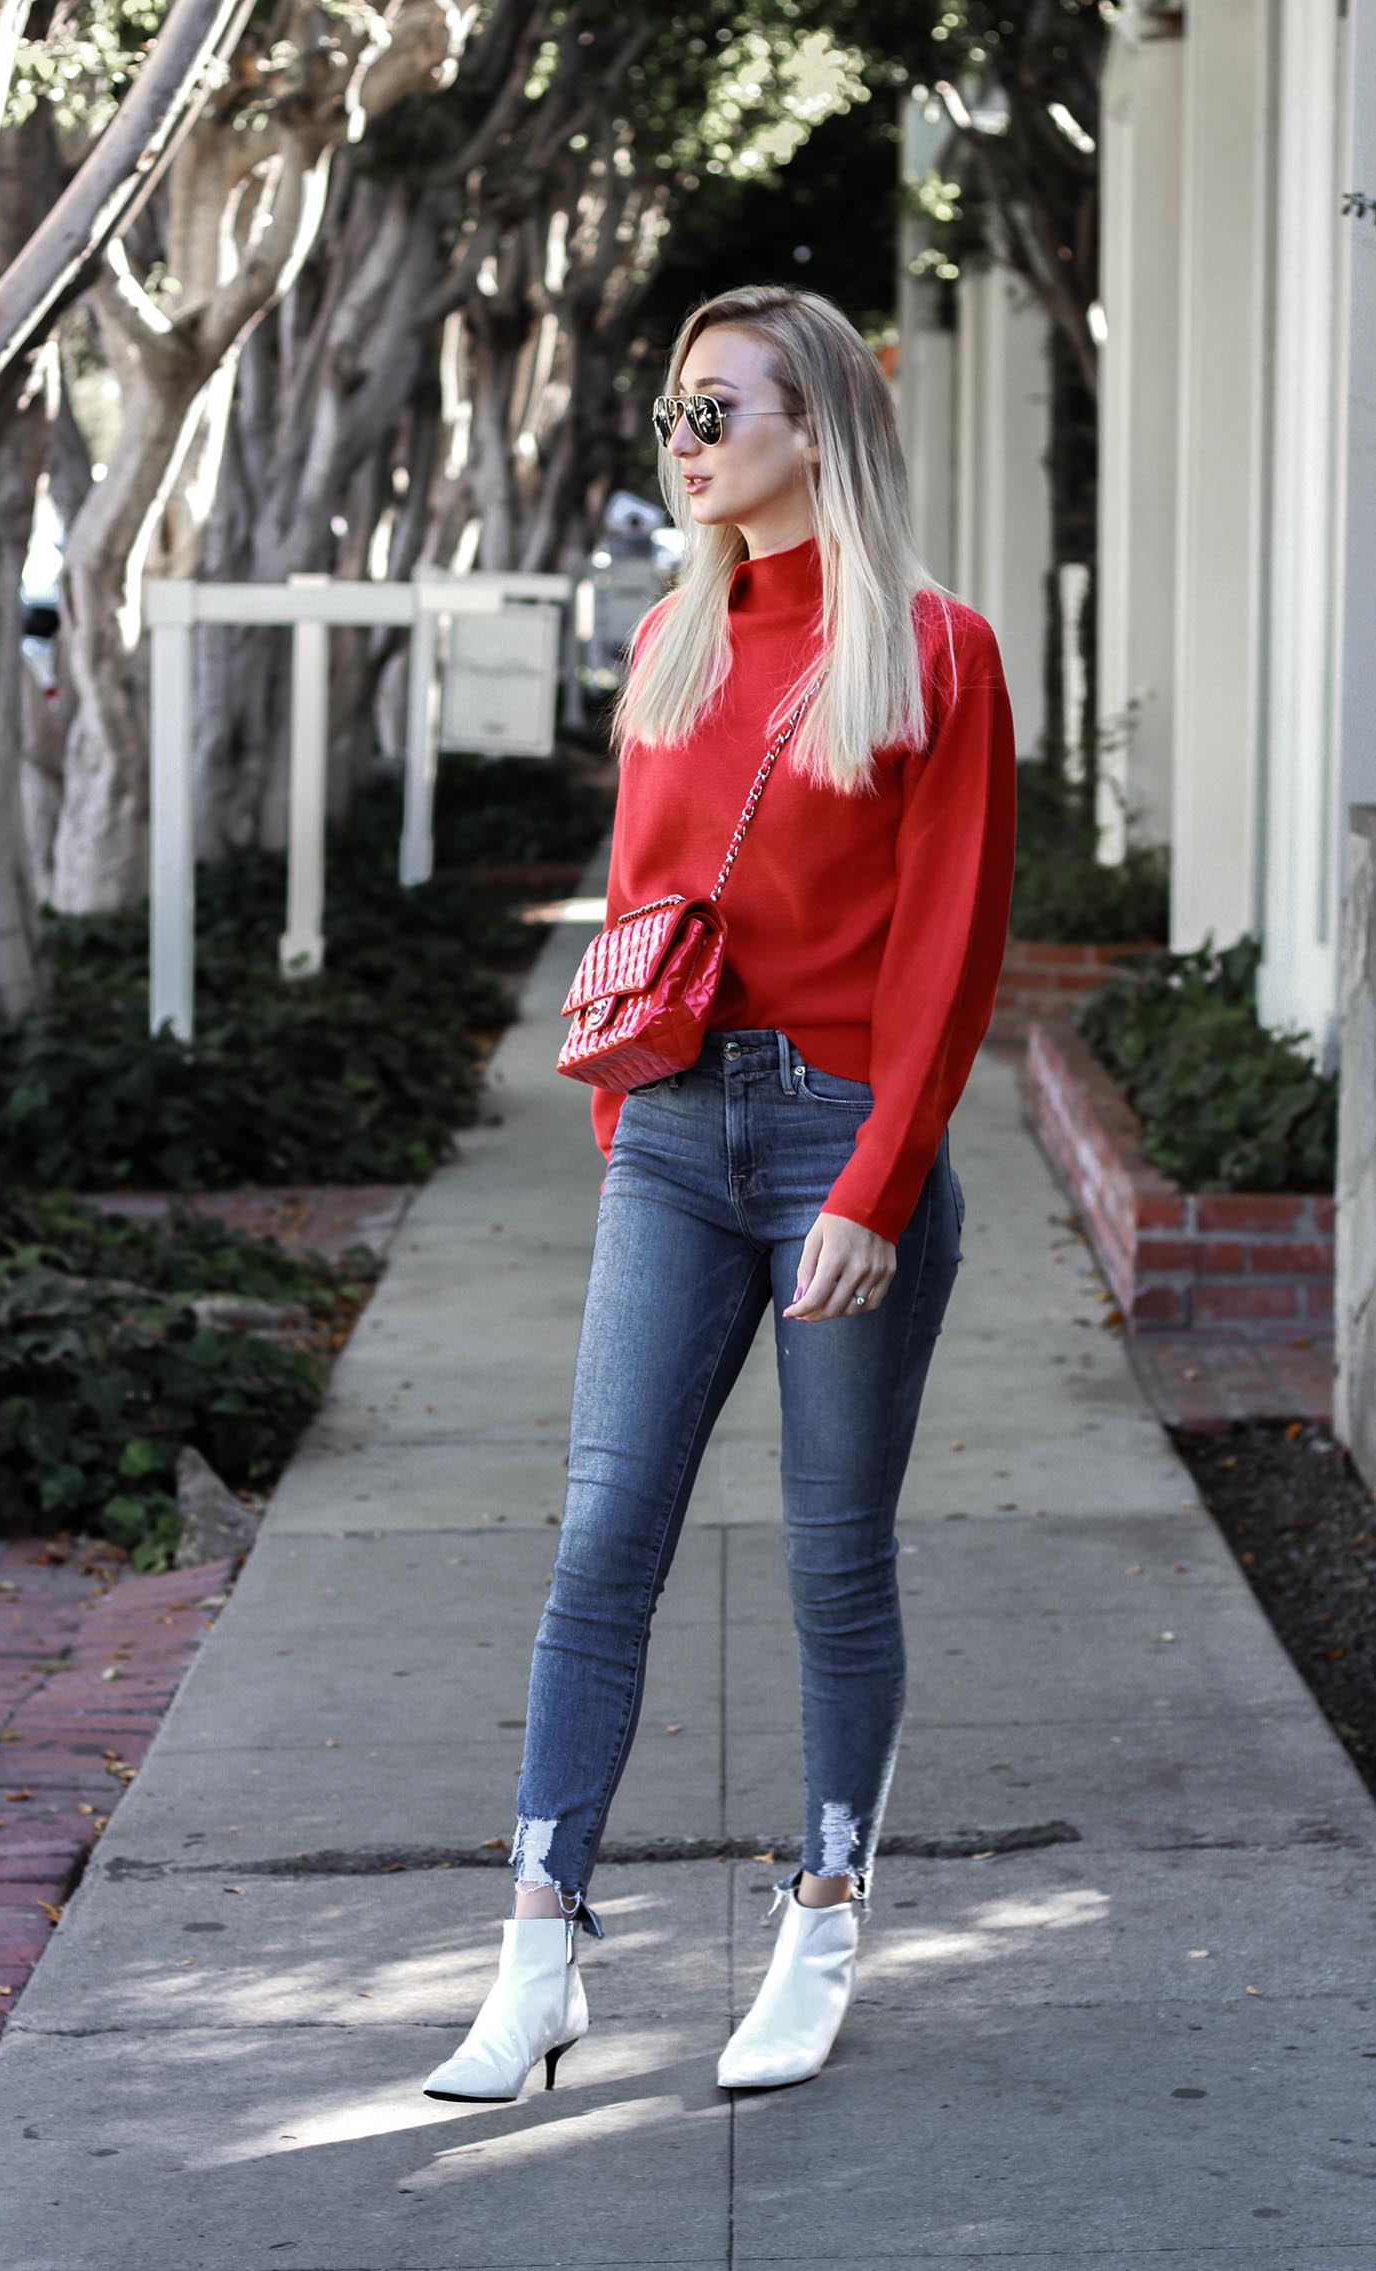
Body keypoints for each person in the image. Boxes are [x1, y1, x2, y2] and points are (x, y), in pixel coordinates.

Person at [424, 283, 1016, 2102]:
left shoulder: (932, 650)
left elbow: (948, 945)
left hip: (845, 1147)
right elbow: (633, 909)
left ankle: (822, 1920)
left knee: (835, 1559)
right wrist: (622, 1130)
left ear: (814, 429)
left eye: (716, 410)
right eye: (671, 412)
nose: (682, 441)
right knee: (604, 1538)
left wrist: (879, 1179)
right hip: (673, 1144)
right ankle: (537, 1954)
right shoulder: (674, 645)